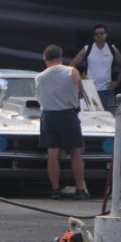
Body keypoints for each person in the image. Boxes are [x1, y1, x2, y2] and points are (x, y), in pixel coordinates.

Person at [35, 44, 88, 200]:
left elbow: (39, 98)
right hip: (68, 115)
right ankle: (79, 189)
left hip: (49, 116)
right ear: (60, 57)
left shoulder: (40, 77)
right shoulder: (72, 71)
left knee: (52, 153)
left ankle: (55, 189)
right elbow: (80, 93)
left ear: (45, 59)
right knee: (76, 153)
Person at [70, 25, 121, 115]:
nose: (99, 35)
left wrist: (117, 82)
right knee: (90, 118)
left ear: (106, 35)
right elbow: (72, 64)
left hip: (107, 90)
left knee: (110, 118)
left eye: (101, 33)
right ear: (93, 36)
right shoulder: (87, 49)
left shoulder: (112, 49)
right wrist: (80, 81)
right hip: (90, 91)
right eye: (96, 34)